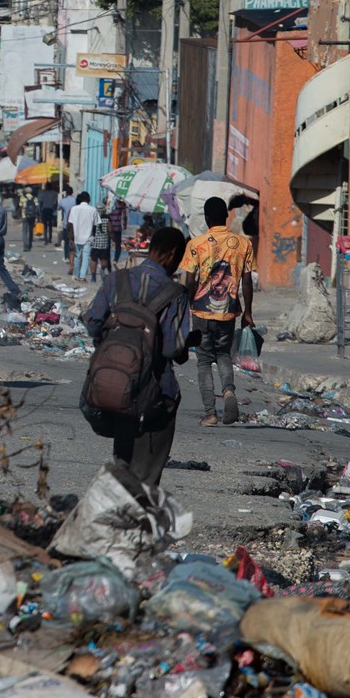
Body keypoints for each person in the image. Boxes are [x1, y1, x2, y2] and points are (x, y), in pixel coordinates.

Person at [83, 226, 194, 487]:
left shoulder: (116, 280)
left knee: (123, 459)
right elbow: (171, 349)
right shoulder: (175, 294)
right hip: (154, 392)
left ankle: (118, 505)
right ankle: (136, 513)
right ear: (172, 254)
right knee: (146, 475)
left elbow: (92, 324)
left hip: (115, 385)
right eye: (179, 258)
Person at [181, 197, 255, 427]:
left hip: (201, 313)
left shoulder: (196, 244)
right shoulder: (243, 244)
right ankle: (229, 392)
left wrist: (186, 304)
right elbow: (247, 282)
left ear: (207, 218)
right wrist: (248, 312)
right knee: (223, 354)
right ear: (226, 216)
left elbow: (190, 281)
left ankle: (210, 413)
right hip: (228, 312)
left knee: (203, 361)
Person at [68, 192, 101, 280]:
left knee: (77, 256)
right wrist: (94, 236)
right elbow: (96, 225)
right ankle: (82, 276)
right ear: (88, 199)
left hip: (77, 237)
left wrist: (71, 238)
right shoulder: (93, 210)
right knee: (86, 257)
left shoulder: (74, 209)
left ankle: (76, 275)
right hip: (88, 237)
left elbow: (70, 224)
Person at [89, 205, 113, 282]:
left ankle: (93, 277)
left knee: (93, 259)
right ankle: (102, 269)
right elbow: (110, 229)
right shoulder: (107, 217)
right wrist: (113, 238)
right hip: (104, 242)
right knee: (104, 259)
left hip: (95, 242)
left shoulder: (93, 217)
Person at [58, 186, 77, 261]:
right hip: (74, 224)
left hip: (66, 223)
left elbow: (58, 208)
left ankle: (66, 256)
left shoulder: (63, 201)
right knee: (73, 240)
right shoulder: (75, 200)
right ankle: (72, 255)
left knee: (66, 241)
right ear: (72, 192)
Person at [107, 195, 127, 264]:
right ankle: (116, 259)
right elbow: (124, 216)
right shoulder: (122, 204)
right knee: (118, 244)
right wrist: (124, 225)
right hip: (117, 227)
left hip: (109, 227)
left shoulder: (109, 202)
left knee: (108, 244)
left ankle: (107, 259)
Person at [19, 188, 38, 252]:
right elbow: (37, 207)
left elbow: (20, 206)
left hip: (25, 216)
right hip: (32, 216)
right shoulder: (35, 198)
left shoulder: (22, 198)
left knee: (24, 231)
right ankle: (30, 245)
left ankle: (25, 246)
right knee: (30, 231)